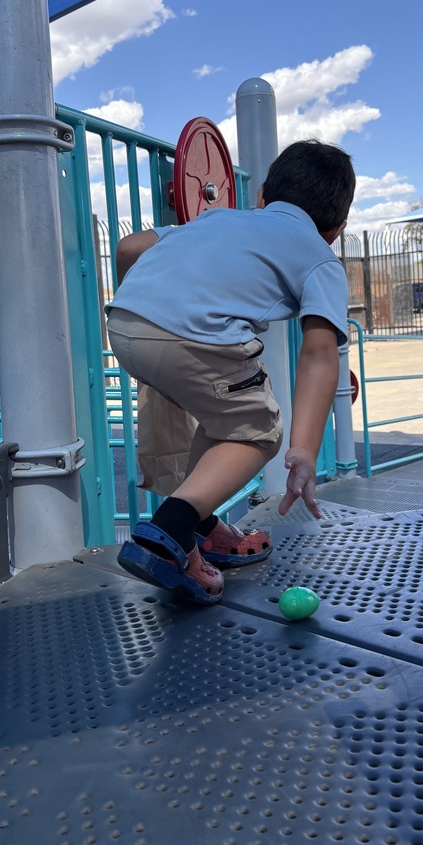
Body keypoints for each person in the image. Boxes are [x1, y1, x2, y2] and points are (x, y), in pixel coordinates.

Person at [106, 138, 355, 604]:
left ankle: (202, 528)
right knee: (255, 431)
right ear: (336, 229)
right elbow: (320, 353)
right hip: (195, 336)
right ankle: (166, 535)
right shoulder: (321, 257)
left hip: (124, 323)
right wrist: (302, 448)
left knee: (225, 423)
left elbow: (129, 246)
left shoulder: (218, 217)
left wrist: (151, 313)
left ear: (261, 196)